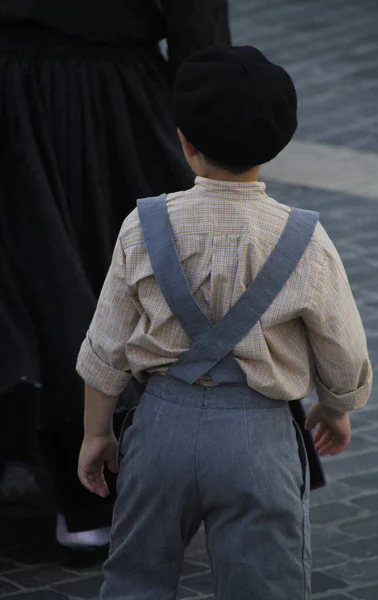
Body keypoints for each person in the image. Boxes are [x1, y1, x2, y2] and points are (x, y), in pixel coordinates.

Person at [77, 45, 372, 599]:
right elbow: (344, 351)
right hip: (257, 438)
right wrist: (334, 409)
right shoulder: (304, 240)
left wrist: (96, 434)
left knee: (135, 579)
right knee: (264, 584)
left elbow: (106, 346)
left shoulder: (143, 226)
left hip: (160, 429)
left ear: (185, 141)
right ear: (280, 142)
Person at [0, 0, 231, 547]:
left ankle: (60, 475)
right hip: (112, 100)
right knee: (118, 278)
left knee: (38, 280)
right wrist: (216, 133)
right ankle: (97, 496)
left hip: (68, 93)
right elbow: (200, 29)